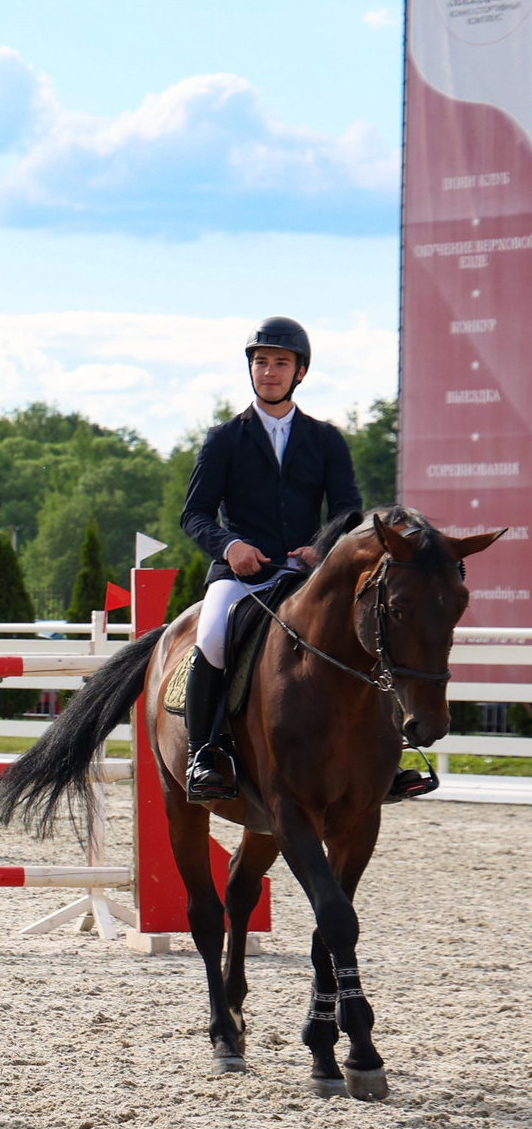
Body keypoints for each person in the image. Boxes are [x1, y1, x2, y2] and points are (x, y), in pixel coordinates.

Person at [176, 316, 361, 801]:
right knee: (213, 635)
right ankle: (203, 753)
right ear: (251, 370)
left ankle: (387, 750)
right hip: (242, 572)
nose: (269, 371)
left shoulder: (325, 439)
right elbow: (194, 514)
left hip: (307, 574)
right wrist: (229, 546)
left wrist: (322, 547)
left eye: (280, 363)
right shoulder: (224, 438)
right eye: (261, 362)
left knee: (366, 630)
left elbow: (348, 510)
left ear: (300, 371)